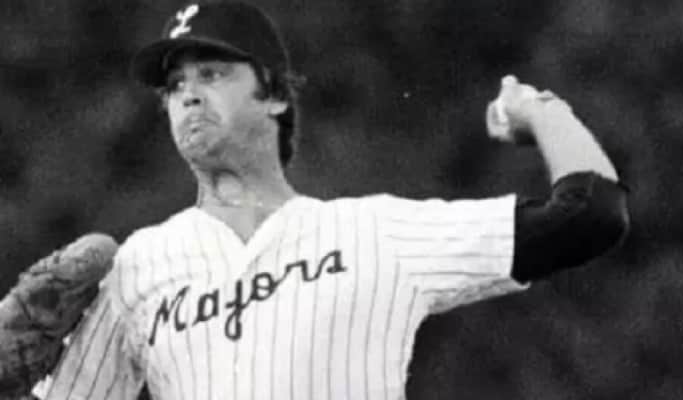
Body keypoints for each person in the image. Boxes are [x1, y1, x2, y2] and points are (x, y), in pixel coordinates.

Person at [33, 1, 629, 399]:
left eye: (211, 74)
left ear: (274, 96)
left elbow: (590, 216)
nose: (187, 96)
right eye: (174, 86)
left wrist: (543, 112)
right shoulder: (138, 267)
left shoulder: (374, 234)